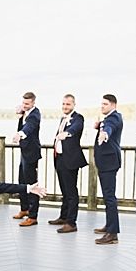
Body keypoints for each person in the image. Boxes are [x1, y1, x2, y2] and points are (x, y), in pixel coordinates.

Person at [50, 94, 88, 233]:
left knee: (71, 192)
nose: (65, 107)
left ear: (74, 105)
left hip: (70, 160)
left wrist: (66, 133)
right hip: (59, 158)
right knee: (64, 190)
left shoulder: (78, 118)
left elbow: (75, 129)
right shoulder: (63, 118)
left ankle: (71, 223)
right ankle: (64, 216)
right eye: (64, 104)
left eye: (68, 104)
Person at [93, 94, 123, 245]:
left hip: (109, 163)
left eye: (105, 104)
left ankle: (112, 234)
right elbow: (106, 125)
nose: (102, 106)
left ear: (113, 105)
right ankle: (109, 225)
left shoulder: (114, 118)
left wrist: (104, 133)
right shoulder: (108, 118)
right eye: (101, 103)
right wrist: (99, 126)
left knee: (110, 198)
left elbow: (110, 128)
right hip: (105, 163)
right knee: (107, 197)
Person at [12, 92, 42, 227]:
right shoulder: (25, 113)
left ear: (33, 103)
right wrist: (20, 114)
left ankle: (33, 216)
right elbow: (23, 123)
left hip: (32, 154)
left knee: (32, 185)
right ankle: (24, 209)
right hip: (24, 152)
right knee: (21, 181)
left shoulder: (35, 114)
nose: (24, 106)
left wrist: (19, 134)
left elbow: (28, 128)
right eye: (23, 103)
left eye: (27, 104)